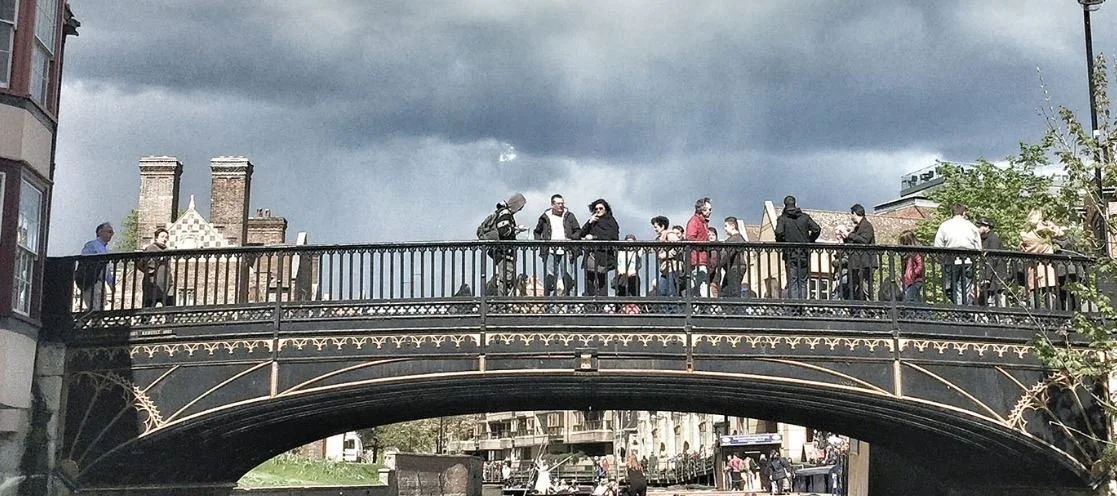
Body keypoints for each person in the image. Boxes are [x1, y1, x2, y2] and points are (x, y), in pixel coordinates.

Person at [774, 195, 821, 299]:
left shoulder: (783, 219)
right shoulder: (804, 217)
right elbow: (816, 229)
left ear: (785, 205)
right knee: (803, 282)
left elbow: (778, 232)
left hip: (790, 254)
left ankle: (794, 307)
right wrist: (810, 240)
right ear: (795, 204)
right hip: (804, 253)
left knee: (792, 281)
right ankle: (802, 307)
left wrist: (782, 242)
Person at [934, 203, 981, 305]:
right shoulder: (971, 226)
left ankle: (961, 311)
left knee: (949, 287)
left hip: (950, 259)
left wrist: (941, 260)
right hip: (969, 259)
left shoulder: (944, 226)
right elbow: (978, 247)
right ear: (964, 213)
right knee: (965, 288)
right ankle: (965, 311)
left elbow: (938, 245)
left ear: (952, 213)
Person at [533, 194, 580, 296]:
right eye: (558, 203)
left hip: (566, 250)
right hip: (550, 251)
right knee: (550, 278)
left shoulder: (569, 216)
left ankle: (570, 306)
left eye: (562, 203)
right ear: (552, 204)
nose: (561, 206)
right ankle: (550, 306)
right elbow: (537, 231)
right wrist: (541, 243)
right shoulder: (545, 217)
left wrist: (571, 239)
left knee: (568, 278)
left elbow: (578, 231)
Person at [1020, 209, 1062, 309]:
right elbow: (1060, 234)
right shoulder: (1046, 232)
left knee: (1034, 293)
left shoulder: (1026, 235)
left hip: (1033, 266)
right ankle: (1050, 315)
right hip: (1046, 266)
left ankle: (1037, 315)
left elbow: (1022, 249)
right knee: (1048, 292)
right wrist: (1051, 225)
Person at [578, 199, 620, 296]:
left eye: (601, 208)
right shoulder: (593, 221)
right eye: (596, 209)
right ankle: (590, 304)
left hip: (604, 255)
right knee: (589, 280)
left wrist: (593, 237)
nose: (598, 210)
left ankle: (602, 304)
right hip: (591, 254)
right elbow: (581, 234)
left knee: (602, 281)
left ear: (606, 209)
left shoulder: (611, 221)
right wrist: (589, 222)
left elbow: (612, 237)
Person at [488, 193, 528, 296]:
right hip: (504, 252)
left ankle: (503, 302)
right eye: (521, 206)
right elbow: (503, 230)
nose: (521, 209)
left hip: (503, 252)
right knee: (506, 277)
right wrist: (516, 229)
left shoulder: (503, 212)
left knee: (506, 277)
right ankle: (502, 303)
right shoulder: (505, 214)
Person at [837, 204, 876, 300]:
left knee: (866, 288)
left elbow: (864, 240)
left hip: (865, 263)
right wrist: (844, 238)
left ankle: (871, 310)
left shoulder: (866, 226)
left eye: (851, 214)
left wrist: (848, 235)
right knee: (858, 288)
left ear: (854, 213)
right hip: (858, 264)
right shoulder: (858, 227)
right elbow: (852, 241)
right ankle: (860, 310)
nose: (851, 217)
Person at [78, 222, 116, 311]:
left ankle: (80, 323)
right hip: (92, 282)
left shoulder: (106, 249)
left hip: (100, 283)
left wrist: (110, 282)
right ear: (100, 232)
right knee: (94, 309)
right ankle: (78, 323)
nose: (111, 235)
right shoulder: (91, 245)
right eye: (109, 232)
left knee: (100, 308)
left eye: (112, 233)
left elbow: (107, 268)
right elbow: (85, 263)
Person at [139, 228, 175, 307]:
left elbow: (168, 269)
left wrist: (171, 281)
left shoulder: (167, 250)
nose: (164, 239)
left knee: (170, 309)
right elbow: (142, 264)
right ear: (156, 238)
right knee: (148, 309)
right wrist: (156, 262)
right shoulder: (150, 248)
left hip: (167, 284)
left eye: (166, 237)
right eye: (162, 237)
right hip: (153, 285)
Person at [685, 197, 713, 297]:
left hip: (701, 259)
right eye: (706, 209)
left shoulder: (703, 222)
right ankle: (709, 309)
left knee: (698, 286)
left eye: (710, 209)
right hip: (697, 259)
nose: (709, 212)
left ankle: (696, 309)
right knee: (702, 285)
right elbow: (690, 238)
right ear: (700, 209)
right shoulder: (695, 221)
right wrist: (705, 243)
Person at [977, 217, 1006, 307]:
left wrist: (987, 277)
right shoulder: (983, 239)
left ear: (987, 227)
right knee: (983, 300)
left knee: (996, 300)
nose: (978, 228)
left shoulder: (993, 238)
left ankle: (1001, 318)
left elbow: (993, 258)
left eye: (980, 226)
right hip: (988, 275)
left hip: (995, 277)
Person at [720, 217, 748, 299]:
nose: (725, 229)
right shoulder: (737, 238)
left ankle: (735, 310)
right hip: (733, 268)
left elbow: (728, 254)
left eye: (726, 226)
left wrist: (719, 264)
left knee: (733, 292)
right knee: (725, 292)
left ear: (732, 226)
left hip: (735, 267)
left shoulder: (736, 238)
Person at [652, 217, 680, 297]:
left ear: (663, 226)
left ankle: (674, 309)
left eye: (656, 227)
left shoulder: (670, 235)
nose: (655, 229)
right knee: (661, 291)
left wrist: (665, 255)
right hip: (665, 269)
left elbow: (679, 247)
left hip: (672, 268)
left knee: (671, 293)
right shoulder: (660, 238)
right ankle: (664, 309)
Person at [898, 230, 924, 302]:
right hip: (908, 281)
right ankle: (922, 313)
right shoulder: (907, 254)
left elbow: (920, 265)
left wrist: (913, 274)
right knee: (914, 300)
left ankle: (923, 313)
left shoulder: (916, 252)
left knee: (910, 299)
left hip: (915, 280)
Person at [706, 227, 721, 297]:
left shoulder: (715, 248)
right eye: (709, 235)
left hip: (714, 275)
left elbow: (713, 262)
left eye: (713, 235)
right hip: (712, 274)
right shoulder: (708, 247)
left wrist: (708, 272)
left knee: (713, 291)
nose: (711, 236)